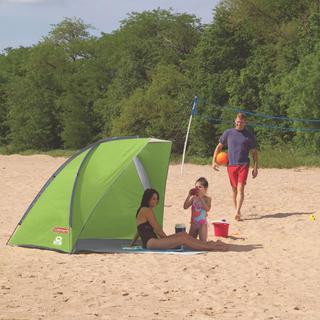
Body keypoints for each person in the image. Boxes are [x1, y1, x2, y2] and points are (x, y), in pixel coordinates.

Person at [130, 188, 226, 251]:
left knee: (183, 234)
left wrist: (132, 243)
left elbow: (139, 229)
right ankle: (209, 247)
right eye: (153, 199)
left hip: (151, 241)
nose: (156, 201)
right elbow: (157, 228)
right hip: (151, 242)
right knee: (182, 239)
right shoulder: (146, 210)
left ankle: (206, 244)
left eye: (156, 199)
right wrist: (166, 238)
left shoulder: (142, 210)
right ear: (147, 199)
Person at [212, 112, 258, 221]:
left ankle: (237, 212)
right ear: (235, 121)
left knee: (240, 188)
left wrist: (255, 167)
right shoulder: (228, 133)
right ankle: (237, 209)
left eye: (241, 122)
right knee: (234, 190)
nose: (239, 124)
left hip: (244, 165)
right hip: (231, 165)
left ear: (245, 123)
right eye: (238, 122)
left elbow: (254, 152)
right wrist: (213, 161)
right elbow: (219, 147)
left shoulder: (249, 135)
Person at [183, 177, 211, 242]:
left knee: (203, 243)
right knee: (190, 243)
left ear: (205, 189)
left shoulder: (207, 199)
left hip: (202, 224)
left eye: (200, 187)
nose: (197, 189)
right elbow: (185, 206)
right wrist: (189, 195)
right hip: (193, 224)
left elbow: (207, 209)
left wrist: (201, 198)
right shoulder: (193, 198)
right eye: (196, 187)